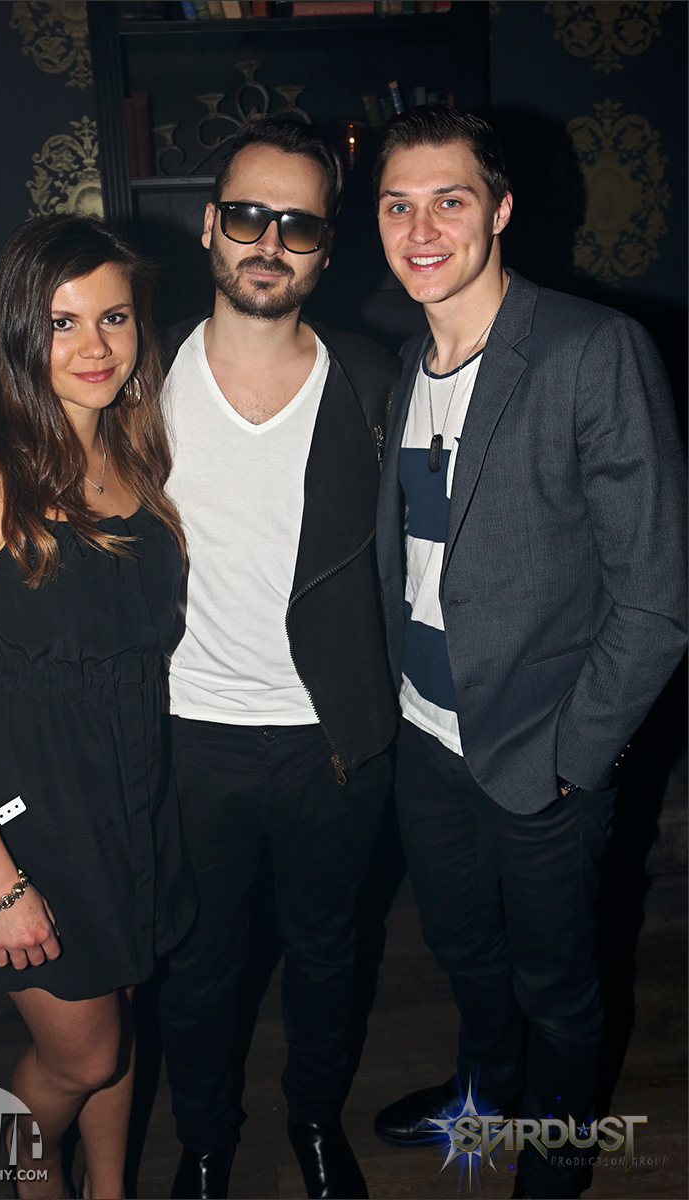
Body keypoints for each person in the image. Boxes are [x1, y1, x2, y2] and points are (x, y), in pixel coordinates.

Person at [370, 106, 687, 1199]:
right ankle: (485, 1096)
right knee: (463, 951)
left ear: (499, 210)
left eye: (448, 200)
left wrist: (572, 757)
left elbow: (656, 597)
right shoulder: (402, 364)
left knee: (558, 986)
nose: (420, 230)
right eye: (397, 205)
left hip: (539, 751)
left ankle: (554, 1158)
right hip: (424, 739)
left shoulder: (591, 350)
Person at [0, 214, 195, 1200]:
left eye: (114, 317)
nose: (95, 346)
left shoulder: (137, 463)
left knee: (117, 1020)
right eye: (64, 323)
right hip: (26, 823)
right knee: (82, 1052)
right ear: (23, 331)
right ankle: (32, 1179)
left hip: (128, 799)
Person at [158, 117, 398, 1200]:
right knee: (198, 964)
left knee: (326, 953)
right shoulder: (136, 372)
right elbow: (40, 497)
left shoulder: (373, 380)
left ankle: (312, 1120)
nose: (269, 242)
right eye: (249, 216)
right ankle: (204, 1143)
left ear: (327, 248)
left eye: (297, 225)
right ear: (211, 224)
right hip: (184, 734)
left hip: (329, 740)